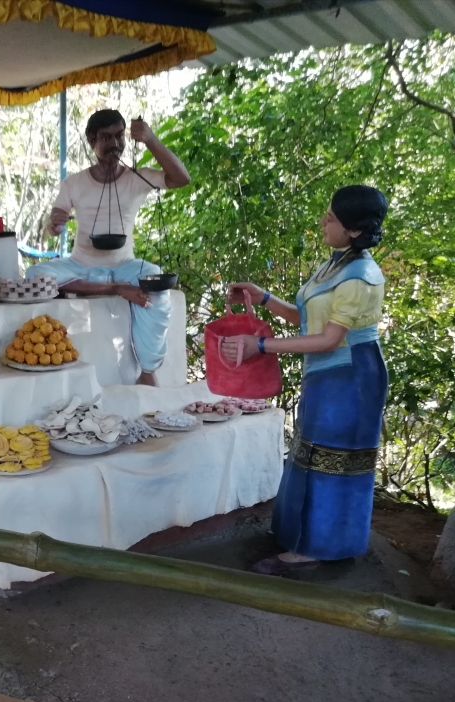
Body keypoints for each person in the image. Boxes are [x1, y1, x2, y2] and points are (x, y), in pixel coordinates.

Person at [221, 185, 389, 575]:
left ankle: (314, 549)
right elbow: (310, 321)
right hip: (330, 373)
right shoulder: (336, 264)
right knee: (310, 453)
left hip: (350, 377)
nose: (322, 222)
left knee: (332, 460)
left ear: (351, 230)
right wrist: (263, 297)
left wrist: (259, 346)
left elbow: (331, 339)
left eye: (330, 218)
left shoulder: (360, 275)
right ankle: (301, 535)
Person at [28, 108, 191, 385]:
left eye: (119, 136)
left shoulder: (136, 178)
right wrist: (54, 225)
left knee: (157, 286)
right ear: (92, 141)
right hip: (81, 265)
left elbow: (181, 179)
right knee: (35, 277)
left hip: (124, 266)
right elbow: (54, 224)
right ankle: (112, 288)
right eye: (105, 138)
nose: (114, 144)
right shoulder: (73, 183)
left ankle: (148, 372)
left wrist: (150, 139)